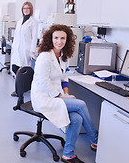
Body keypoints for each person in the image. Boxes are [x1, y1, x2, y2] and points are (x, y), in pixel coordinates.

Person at [30, 24, 98, 163]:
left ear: (67, 40)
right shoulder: (44, 57)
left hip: (56, 96)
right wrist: (61, 96)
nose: (59, 41)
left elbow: (64, 76)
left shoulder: (63, 56)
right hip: (43, 98)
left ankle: (68, 154)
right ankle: (95, 140)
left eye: (62, 38)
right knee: (80, 105)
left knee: (77, 119)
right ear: (50, 38)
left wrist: (65, 93)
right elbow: (43, 83)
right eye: (56, 38)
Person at [10, 1, 38, 97]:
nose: (25, 10)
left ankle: (19, 91)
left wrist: (32, 51)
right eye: (24, 8)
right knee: (14, 67)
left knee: (22, 70)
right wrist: (13, 47)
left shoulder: (33, 22)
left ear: (31, 10)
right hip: (17, 48)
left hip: (26, 49)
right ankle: (24, 87)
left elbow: (34, 37)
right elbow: (16, 35)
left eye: (27, 8)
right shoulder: (19, 20)